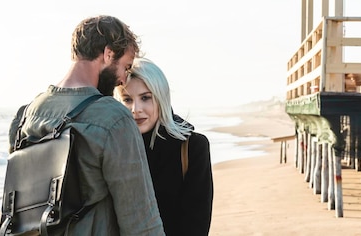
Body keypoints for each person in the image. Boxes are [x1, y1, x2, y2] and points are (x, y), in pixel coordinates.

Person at [13, 16, 165, 235]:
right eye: (125, 67)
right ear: (108, 54)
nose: (123, 79)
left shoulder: (26, 115)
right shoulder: (114, 118)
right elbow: (140, 223)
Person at [114, 58, 214, 236]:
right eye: (127, 100)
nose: (136, 109)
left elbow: (196, 224)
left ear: (161, 98)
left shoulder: (192, 147)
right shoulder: (116, 150)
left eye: (145, 98)